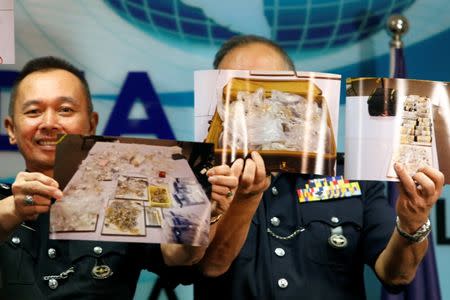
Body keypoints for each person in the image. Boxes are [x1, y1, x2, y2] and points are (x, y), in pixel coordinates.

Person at [188, 35, 445, 299]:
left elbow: (396, 275)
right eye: (242, 91)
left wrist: (412, 224)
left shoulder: (351, 175)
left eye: (269, 87)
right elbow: (203, 267)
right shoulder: (198, 179)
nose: (256, 100)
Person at [0, 56, 237, 299]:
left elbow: (178, 256)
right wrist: (13, 209)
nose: (49, 123)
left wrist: (200, 213)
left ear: (92, 124)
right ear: (10, 129)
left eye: (65, 110)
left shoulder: (125, 195)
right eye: (33, 111)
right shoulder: (3, 202)